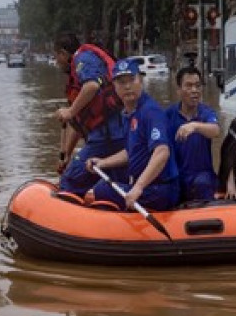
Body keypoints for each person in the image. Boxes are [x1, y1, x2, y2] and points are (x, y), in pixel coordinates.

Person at [87, 58, 180, 211]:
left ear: (141, 80)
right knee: (111, 173)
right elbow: (132, 152)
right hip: (148, 185)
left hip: (162, 190)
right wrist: (102, 162)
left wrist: (138, 188)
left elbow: (162, 152)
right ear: (114, 87)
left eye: (132, 80)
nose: (128, 86)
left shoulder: (150, 112)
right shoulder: (128, 114)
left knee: (101, 190)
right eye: (121, 82)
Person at [53, 33, 127, 196]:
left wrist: (69, 111)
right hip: (109, 135)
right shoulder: (78, 77)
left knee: (69, 181)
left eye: (56, 57)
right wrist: (67, 155)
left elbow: (92, 86)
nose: (56, 62)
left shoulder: (83, 59)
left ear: (64, 54)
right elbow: (78, 125)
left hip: (107, 136)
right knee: (112, 184)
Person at [165, 65, 220, 202]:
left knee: (203, 183)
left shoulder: (206, 113)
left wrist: (195, 126)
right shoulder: (168, 115)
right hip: (177, 175)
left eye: (197, 86)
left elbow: (215, 131)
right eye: (188, 86)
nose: (194, 90)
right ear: (178, 90)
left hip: (202, 175)